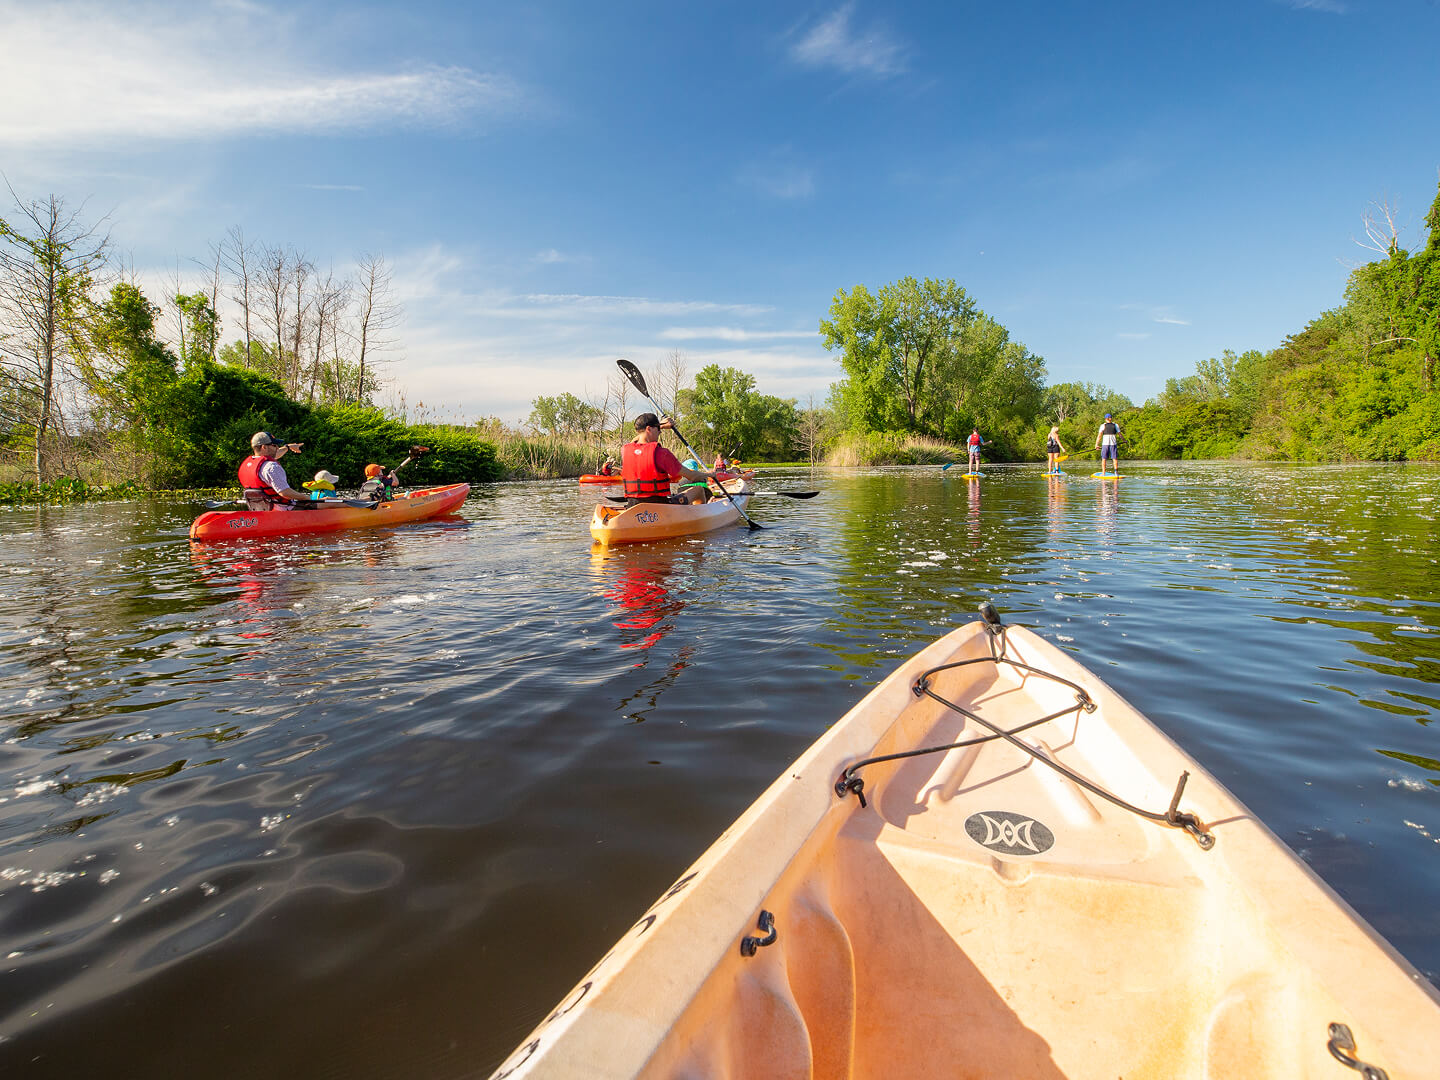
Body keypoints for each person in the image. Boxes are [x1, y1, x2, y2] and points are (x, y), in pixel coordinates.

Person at [620, 413, 711, 504]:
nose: (660, 431)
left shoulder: (625, 450)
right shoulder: (662, 453)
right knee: (699, 490)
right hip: (660, 507)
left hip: (633, 505)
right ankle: (699, 516)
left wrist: (660, 425)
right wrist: (710, 475)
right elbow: (692, 476)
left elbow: (637, 440)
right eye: (658, 428)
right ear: (649, 429)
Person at [239, 431, 312, 510]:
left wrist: (287, 447)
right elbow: (284, 492)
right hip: (284, 509)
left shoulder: (248, 465)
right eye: (274, 445)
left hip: (261, 510)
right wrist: (306, 497)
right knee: (325, 504)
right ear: (264, 447)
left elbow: (276, 454)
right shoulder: (271, 467)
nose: (277, 448)